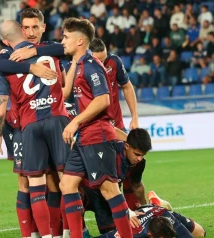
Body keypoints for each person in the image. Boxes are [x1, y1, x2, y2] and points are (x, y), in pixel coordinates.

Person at [59, 17, 133, 238]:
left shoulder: (92, 66)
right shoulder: (79, 65)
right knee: (67, 185)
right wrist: (72, 62)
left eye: (66, 37)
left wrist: (75, 121)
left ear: (80, 41)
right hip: (83, 137)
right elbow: (64, 93)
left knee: (109, 189)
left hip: (96, 135)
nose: (62, 41)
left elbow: (103, 100)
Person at [0, 20, 70, 238]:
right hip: (41, 121)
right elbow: (67, 48)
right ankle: (51, 233)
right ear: (21, 30)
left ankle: (53, 234)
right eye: (26, 28)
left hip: (34, 123)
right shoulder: (12, 56)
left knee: (45, 183)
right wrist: (32, 65)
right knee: (56, 180)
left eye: (34, 27)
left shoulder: (9, 58)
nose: (30, 32)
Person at [81, 128, 152, 234]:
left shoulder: (139, 163)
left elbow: (136, 185)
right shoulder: (110, 153)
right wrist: (127, 210)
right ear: (127, 146)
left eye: (142, 155)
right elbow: (106, 188)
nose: (139, 159)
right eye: (137, 154)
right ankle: (81, 230)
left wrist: (145, 207)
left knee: (112, 232)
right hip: (87, 190)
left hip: (108, 195)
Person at [96, 191, 206, 238]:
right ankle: (154, 204)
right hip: (141, 213)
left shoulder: (169, 220)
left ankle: (158, 203)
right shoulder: (132, 233)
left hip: (159, 211)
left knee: (201, 233)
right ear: (149, 234)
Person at [89, 38, 138, 132]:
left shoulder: (114, 62)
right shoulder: (82, 68)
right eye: (99, 61)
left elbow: (127, 87)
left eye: (104, 60)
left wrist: (134, 117)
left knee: (130, 146)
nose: (103, 65)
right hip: (94, 127)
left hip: (116, 124)